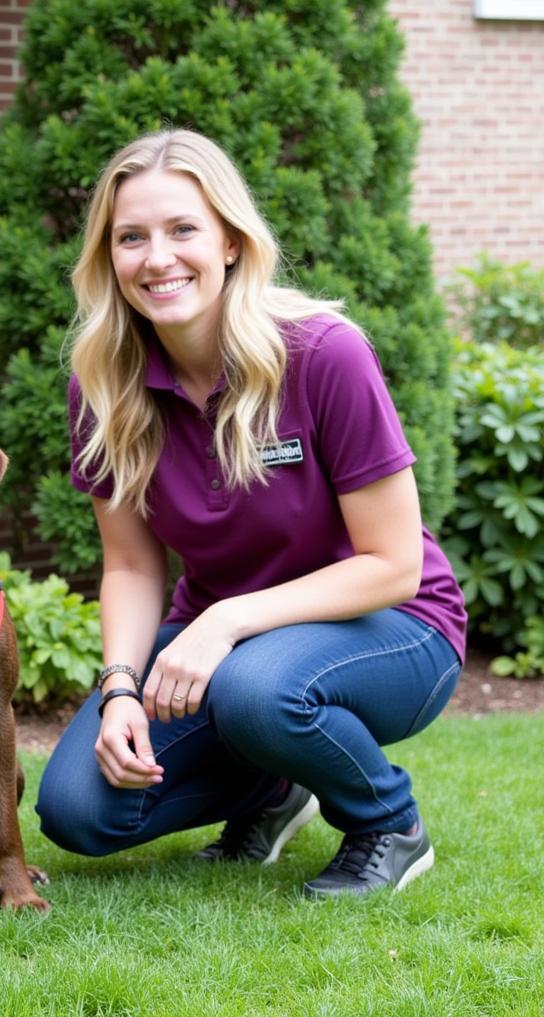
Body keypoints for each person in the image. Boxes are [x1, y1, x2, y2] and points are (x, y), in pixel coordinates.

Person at [35, 129, 467, 897]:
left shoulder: (322, 353)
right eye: (130, 237)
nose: (156, 258)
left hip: (398, 628)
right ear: (109, 259)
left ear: (231, 242)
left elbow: (394, 566)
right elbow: (132, 565)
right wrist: (122, 689)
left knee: (257, 690)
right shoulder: (102, 383)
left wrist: (226, 623)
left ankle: (388, 824)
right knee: (79, 811)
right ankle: (275, 789)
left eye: (182, 230)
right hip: (230, 648)